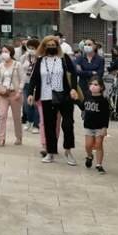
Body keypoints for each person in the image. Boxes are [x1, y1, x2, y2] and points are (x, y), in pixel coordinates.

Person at [28, 35, 81, 165]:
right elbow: (34, 78)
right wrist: (30, 93)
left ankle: (68, 151)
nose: (51, 47)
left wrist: (73, 88)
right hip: (46, 96)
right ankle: (50, 152)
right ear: (44, 47)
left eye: (54, 45)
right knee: (49, 125)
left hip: (64, 96)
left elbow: (73, 74)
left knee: (68, 124)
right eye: (48, 45)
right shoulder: (40, 61)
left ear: (57, 46)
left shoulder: (64, 59)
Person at [0, 45, 24, 146]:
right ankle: (2, 139)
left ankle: (19, 137)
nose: (4, 53)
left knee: (17, 117)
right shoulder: (1, 65)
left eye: (6, 51)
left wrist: (19, 92)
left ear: (11, 53)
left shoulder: (17, 64)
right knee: (2, 115)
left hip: (14, 93)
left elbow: (22, 79)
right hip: (3, 93)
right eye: (2, 51)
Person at [81, 76, 109, 174]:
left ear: (101, 87)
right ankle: (89, 156)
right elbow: (82, 106)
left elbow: (106, 115)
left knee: (98, 145)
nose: (93, 86)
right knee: (88, 145)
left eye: (96, 84)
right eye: (91, 84)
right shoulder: (87, 96)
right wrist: (76, 99)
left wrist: (105, 128)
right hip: (88, 126)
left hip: (99, 127)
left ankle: (99, 165)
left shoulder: (104, 101)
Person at [21, 38, 41, 133]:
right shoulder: (24, 57)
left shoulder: (41, 58)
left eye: (33, 48)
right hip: (26, 83)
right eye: (29, 47)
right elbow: (20, 69)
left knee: (36, 104)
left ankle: (37, 125)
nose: (31, 50)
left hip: (37, 84)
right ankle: (29, 121)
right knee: (27, 104)